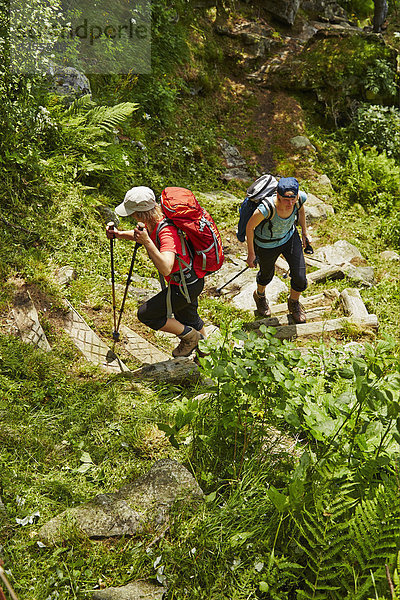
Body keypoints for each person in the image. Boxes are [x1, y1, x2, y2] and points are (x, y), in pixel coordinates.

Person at [106, 186, 206, 357]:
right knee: (190, 319)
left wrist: (147, 242)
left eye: (132, 213)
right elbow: (143, 234)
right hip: (190, 280)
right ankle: (205, 354)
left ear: (139, 213)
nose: (131, 216)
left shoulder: (167, 232)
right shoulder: (156, 220)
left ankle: (191, 338)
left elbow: (166, 266)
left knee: (147, 314)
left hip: (184, 286)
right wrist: (119, 234)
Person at [245, 176, 309, 324]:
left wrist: (305, 232)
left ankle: (294, 303)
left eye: (293, 198)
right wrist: (251, 253)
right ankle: (259, 295)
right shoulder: (266, 208)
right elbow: (250, 227)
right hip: (266, 244)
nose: (290, 203)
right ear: (278, 196)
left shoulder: (299, 199)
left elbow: (301, 210)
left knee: (300, 277)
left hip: (289, 237)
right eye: (286, 199)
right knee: (267, 275)